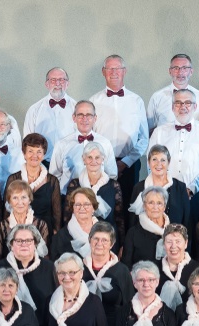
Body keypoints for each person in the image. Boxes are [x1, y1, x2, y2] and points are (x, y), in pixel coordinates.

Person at [90, 55, 149, 220]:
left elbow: (144, 138)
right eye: (110, 68)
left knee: (128, 208)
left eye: (118, 68)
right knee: (102, 208)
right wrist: (103, 162)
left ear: (124, 71)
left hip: (129, 165)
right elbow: (90, 137)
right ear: (103, 72)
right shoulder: (94, 100)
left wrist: (125, 162)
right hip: (100, 165)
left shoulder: (136, 100)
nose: (114, 72)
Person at [147, 89, 199, 198]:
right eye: (178, 103)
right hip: (164, 194)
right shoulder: (159, 132)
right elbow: (150, 164)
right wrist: (162, 186)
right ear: (172, 107)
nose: (183, 107)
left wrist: (192, 189)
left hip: (197, 195)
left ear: (195, 107)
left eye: (188, 103)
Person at [49, 101, 117, 189]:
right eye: (80, 115)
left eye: (89, 115)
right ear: (74, 118)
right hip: (69, 198)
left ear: (95, 118)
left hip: (98, 197)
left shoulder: (105, 143)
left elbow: (111, 174)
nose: (85, 119)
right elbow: (54, 176)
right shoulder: (62, 144)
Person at [65, 141, 124, 241]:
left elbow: (119, 218)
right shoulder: (74, 185)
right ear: (84, 160)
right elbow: (67, 215)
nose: (93, 161)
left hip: (108, 238)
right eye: (89, 157)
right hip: (78, 238)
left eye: (97, 157)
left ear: (103, 159)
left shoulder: (114, 185)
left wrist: (122, 244)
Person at [5, 133, 62, 233]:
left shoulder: (52, 181)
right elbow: (6, 210)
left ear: (44, 154)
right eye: (30, 151)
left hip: (45, 231)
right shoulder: (13, 179)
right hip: (18, 230)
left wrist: (55, 234)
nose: (34, 156)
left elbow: (57, 214)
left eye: (39, 152)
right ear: (24, 154)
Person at [128, 145, 190, 228]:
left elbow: (187, 220)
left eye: (163, 160)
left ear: (169, 162)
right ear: (149, 162)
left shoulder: (180, 187)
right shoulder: (139, 187)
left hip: (174, 239)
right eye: (154, 159)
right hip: (144, 238)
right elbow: (132, 221)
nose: (158, 164)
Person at [23, 67, 76, 160]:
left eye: (61, 80)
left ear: (68, 83)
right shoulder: (34, 110)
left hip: (70, 163)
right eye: (53, 80)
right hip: (43, 163)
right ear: (46, 84)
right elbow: (27, 142)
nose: (57, 83)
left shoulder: (77, 109)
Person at [147, 54, 199, 132]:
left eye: (184, 68)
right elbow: (149, 129)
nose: (180, 72)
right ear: (170, 71)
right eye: (176, 68)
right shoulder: (157, 97)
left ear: (191, 72)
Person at [0, 180, 50, 260]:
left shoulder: (41, 225)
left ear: (30, 200)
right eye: (15, 198)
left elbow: (45, 258)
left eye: (23, 197)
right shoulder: (1, 227)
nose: (20, 202)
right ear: (9, 201)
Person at [120, 186, 170, 268]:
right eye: (151, 203)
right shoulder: (133, 233)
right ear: (144, 206)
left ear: (164, 207)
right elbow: (126, 266)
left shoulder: (173, 231)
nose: (155, 207)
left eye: (159, 203)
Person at [157, 224, 199, 311]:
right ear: (164, 244)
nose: (173, 246)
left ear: (186, 243)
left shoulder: (197, 270)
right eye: (169, 242)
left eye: (178, 241)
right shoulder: (154, 269)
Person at [50, 188, 100, 261]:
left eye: (86, 204)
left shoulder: (105, 232)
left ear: (93, 207)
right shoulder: (60, 237)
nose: (82, 208)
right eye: (77, 204)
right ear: (72, 208)